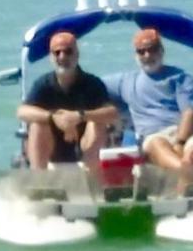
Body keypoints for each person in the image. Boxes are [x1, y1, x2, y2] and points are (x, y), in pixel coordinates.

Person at [112, 26, 193, 191]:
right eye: (141, 51)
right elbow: (92, 86)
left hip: (187, 133)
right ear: (136, 55)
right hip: (155, 136)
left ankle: (184, 189)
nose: (147, 55)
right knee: (158, 145)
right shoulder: (125, 81)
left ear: (161, 51)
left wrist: (180, 143)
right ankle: (187, 183)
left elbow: (189, 112)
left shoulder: (180, 77)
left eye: (152, 49)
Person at [15, 30, 121, 171]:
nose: (62, 56)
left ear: (77, 55)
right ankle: (39, 180)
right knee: (37, 125)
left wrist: (79, 116)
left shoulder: (92, 83)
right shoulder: (43, 84)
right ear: (51, 57)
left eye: (68, 51)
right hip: (51, 146)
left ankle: (91, 178)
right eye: (57, 53)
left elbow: (112, 113)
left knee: (97, 123)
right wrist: (53, 118)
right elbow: (22, 111)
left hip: (84, 146)